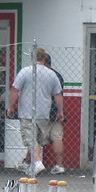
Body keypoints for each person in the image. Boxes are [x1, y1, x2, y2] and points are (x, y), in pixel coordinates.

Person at [7, 48, 65, 176]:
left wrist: (10, 107)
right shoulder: (51, 74)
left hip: (27, 113)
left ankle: (38, 163)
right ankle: (29, 164)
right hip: (44, 113)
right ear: (44, 58)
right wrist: (60, 111)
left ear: (32, 58)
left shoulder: (25, 71)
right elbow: (58, 95)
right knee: (36, 140)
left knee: (30, 139)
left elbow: (15, 90)